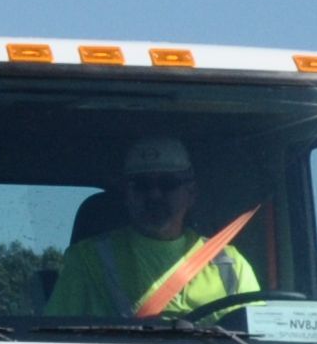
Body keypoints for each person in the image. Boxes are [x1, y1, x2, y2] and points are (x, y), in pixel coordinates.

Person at [45, 136, 261, 323]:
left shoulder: (230, 264)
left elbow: (262, 341)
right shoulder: (87, 259)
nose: (154, 195)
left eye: (167, 183)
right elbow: (52, 342)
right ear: (127, 195)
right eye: (141, 185)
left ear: (191, 193)